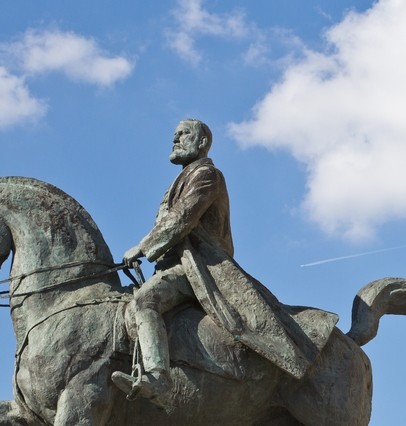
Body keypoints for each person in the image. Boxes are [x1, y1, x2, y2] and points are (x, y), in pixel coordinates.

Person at [112, 119, 332, 408]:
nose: (175, 139)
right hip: (175, 266)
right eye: (174, 135)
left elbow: (181, 219)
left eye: (183, 134)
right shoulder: (181, 180)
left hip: (199, 269)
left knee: (145, 301)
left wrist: (143, 247)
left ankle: (158, 379)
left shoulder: (207, 175)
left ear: (202, 143)